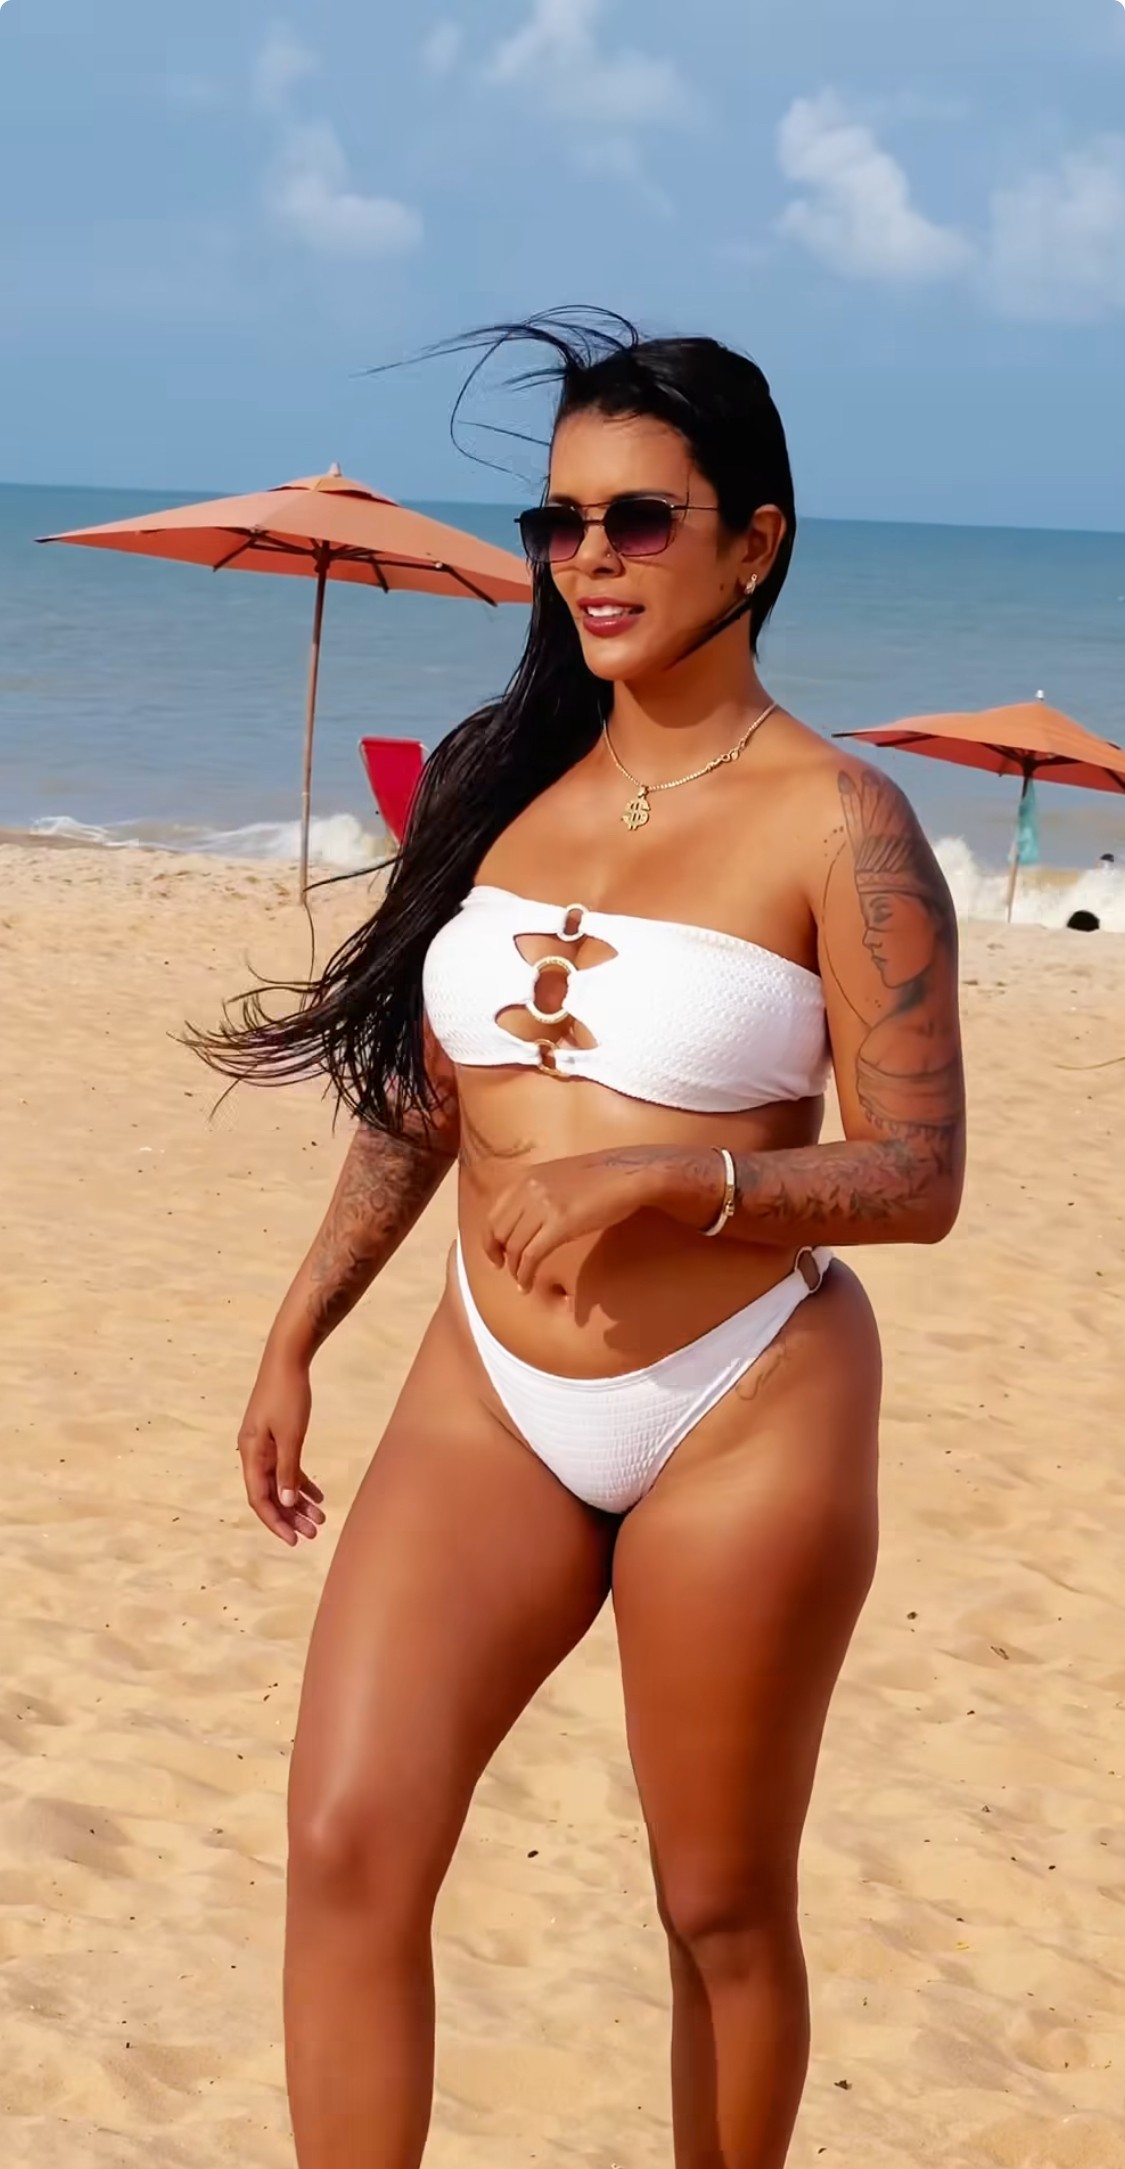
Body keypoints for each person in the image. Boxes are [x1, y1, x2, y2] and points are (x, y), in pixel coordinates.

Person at [194, 319, 966, 2169]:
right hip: (489, 1389)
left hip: (741, 1404)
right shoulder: (498, 779)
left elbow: (919, 1170)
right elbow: (428, 1099)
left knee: (715, 1905)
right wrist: (300, 1326)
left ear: (754, 540)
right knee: (346, 1841)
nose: (588, 558)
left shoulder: (840, 820)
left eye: (638, 518)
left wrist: (664, 1181)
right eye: (558, 520)